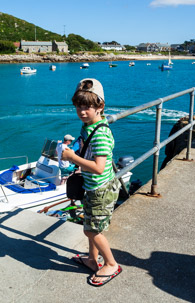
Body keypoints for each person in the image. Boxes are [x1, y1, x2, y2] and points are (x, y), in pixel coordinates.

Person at [62, 78, 122, 287]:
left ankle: (111, 264)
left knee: (91, 230)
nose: (82, 111)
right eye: (79, 106)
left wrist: (72, 158)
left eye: (87, 106)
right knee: (91, 225)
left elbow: (97, 167)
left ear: (100, 107)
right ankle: (91, 259)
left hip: (100, 190)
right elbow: (87, 154)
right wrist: (74, 154)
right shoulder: (88, 127)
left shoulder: (100, 133)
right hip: (92, 187)